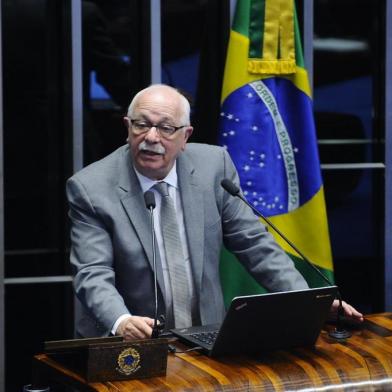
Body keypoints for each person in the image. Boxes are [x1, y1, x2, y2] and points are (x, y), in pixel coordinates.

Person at [66, 84, 363, 340]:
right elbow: (92, 272)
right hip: (127, 340)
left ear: (186, 136)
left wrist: (307, 303)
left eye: (166, 128)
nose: (151, 137)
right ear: (127, 126)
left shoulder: (213, 166)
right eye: (141, 125)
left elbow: (254, 244)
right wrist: (121, 321)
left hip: (203, 335)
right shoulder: (91, 188)